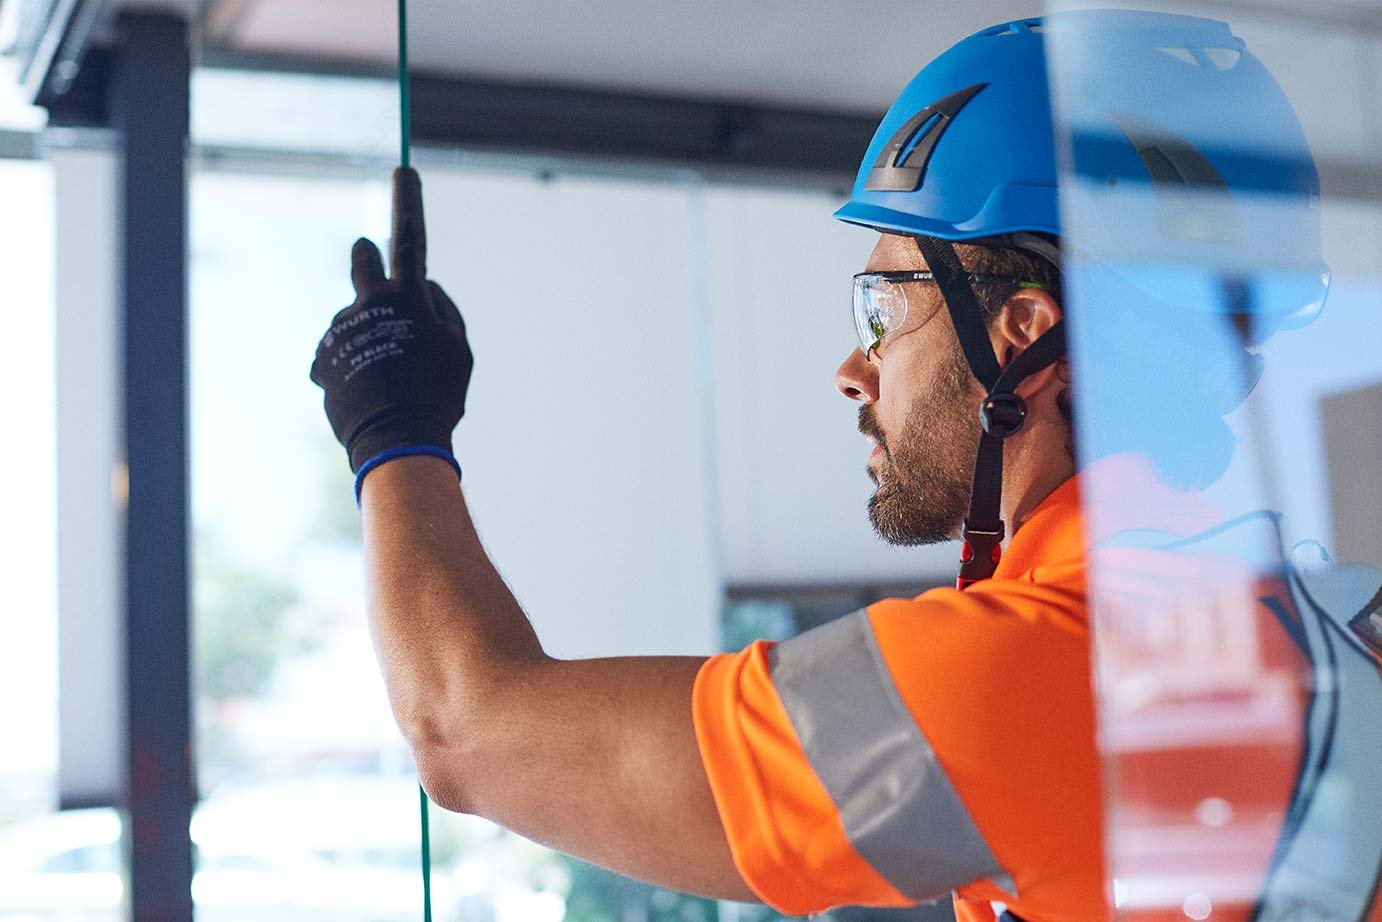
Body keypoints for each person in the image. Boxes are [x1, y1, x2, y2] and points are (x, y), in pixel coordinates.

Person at [311, 12, 1374, 922]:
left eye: (886, 305)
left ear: (1021, 332)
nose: (852, 368)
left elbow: (465, 729)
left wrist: (393, 433)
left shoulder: (1037, 671)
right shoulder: (1327, 628)